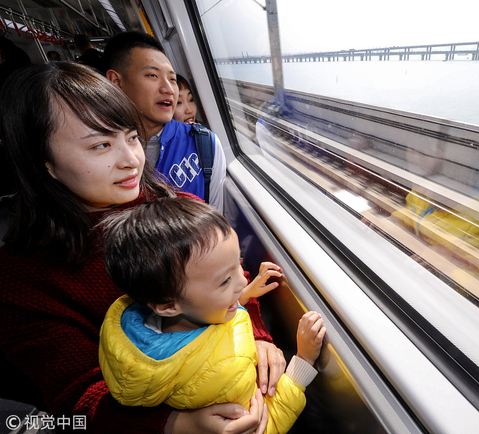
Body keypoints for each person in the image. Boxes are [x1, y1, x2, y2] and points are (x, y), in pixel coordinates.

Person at [0, 61, 285, 433]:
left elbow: (231, 278)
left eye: (131, 137)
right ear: (45, 163)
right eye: (101, 144)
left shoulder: (179, 207)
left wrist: (258, 338)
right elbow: (76, 399)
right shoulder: (23, 278)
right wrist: (177, 424)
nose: (130, 160)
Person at [100, 197, 326, 434]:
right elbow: (267, 423)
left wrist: (244, 295)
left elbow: (202, 308)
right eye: (225, 280)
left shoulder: (140, 325)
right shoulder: (222, 375)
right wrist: (304, 360)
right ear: (168, 306)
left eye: (238, 263)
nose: (242, 280)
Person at [104, 31, 226, 211]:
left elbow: (215, 217)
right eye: (152, 76)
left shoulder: (205, 144)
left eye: (172, 79)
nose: (169, 89)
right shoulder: (95, 152)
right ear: (116, 82)